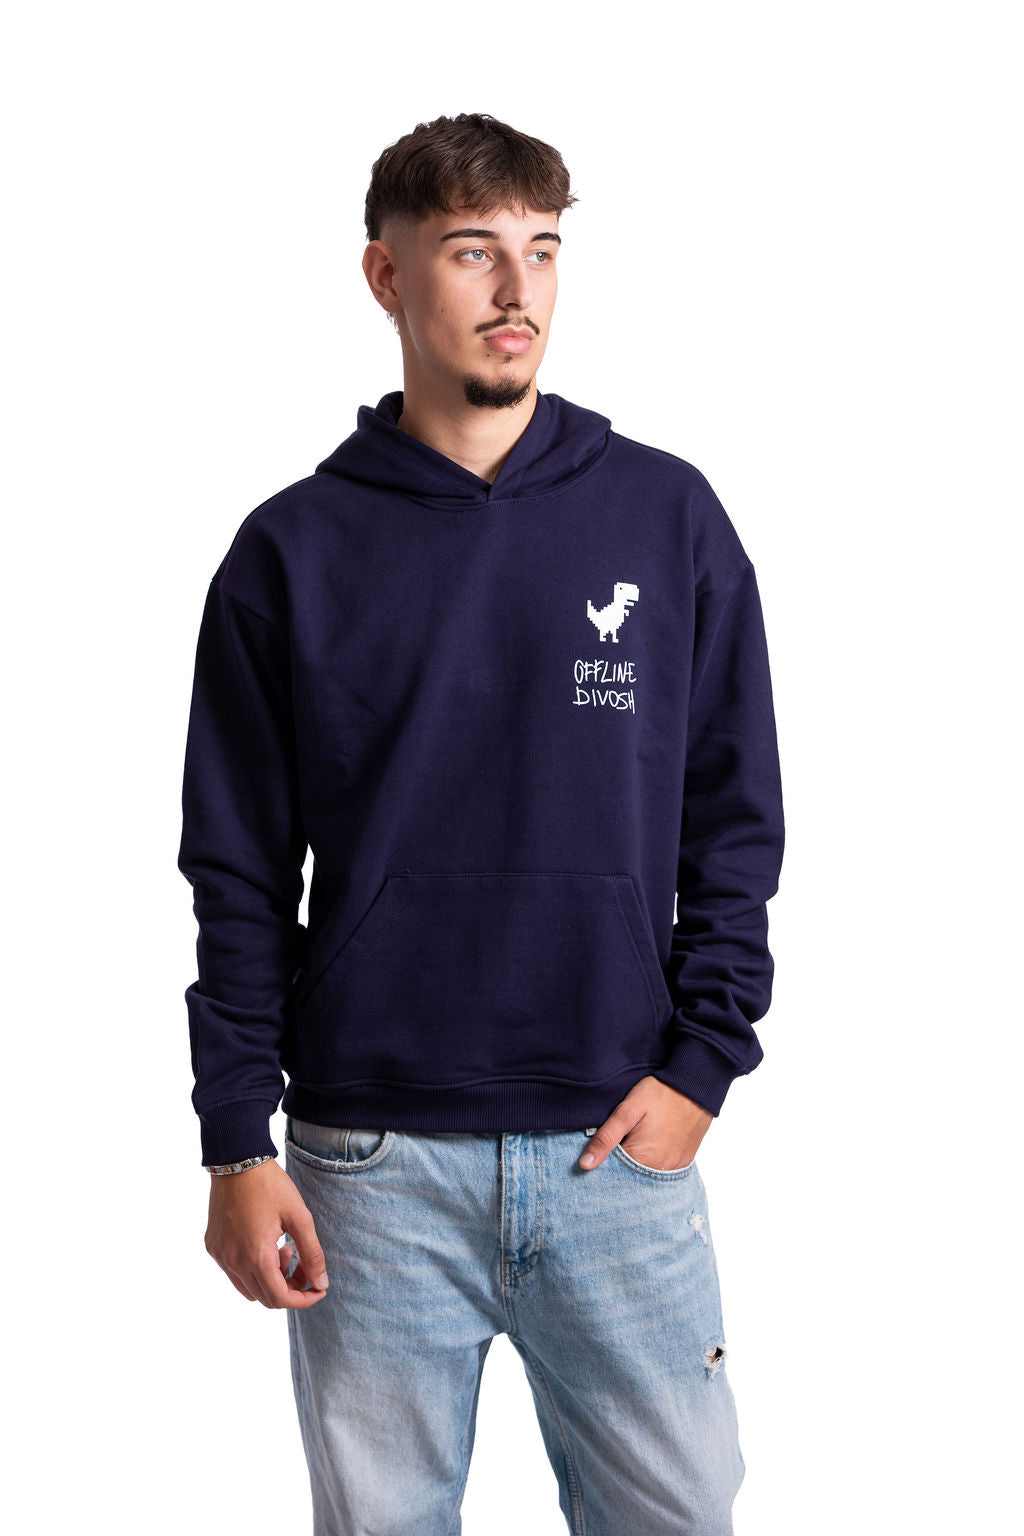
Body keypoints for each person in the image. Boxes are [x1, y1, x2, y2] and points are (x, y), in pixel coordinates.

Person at [177, 111, 785, 1536]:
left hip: (618, 1147)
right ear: (387, 276)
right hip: (369, 1167)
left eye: (542, 250)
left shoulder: (667, 520)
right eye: (471, 252)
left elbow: (735, 822)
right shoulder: (290, 552)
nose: (518, 291)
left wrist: (704, 1064)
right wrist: (235, 1141)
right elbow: (237, 872)